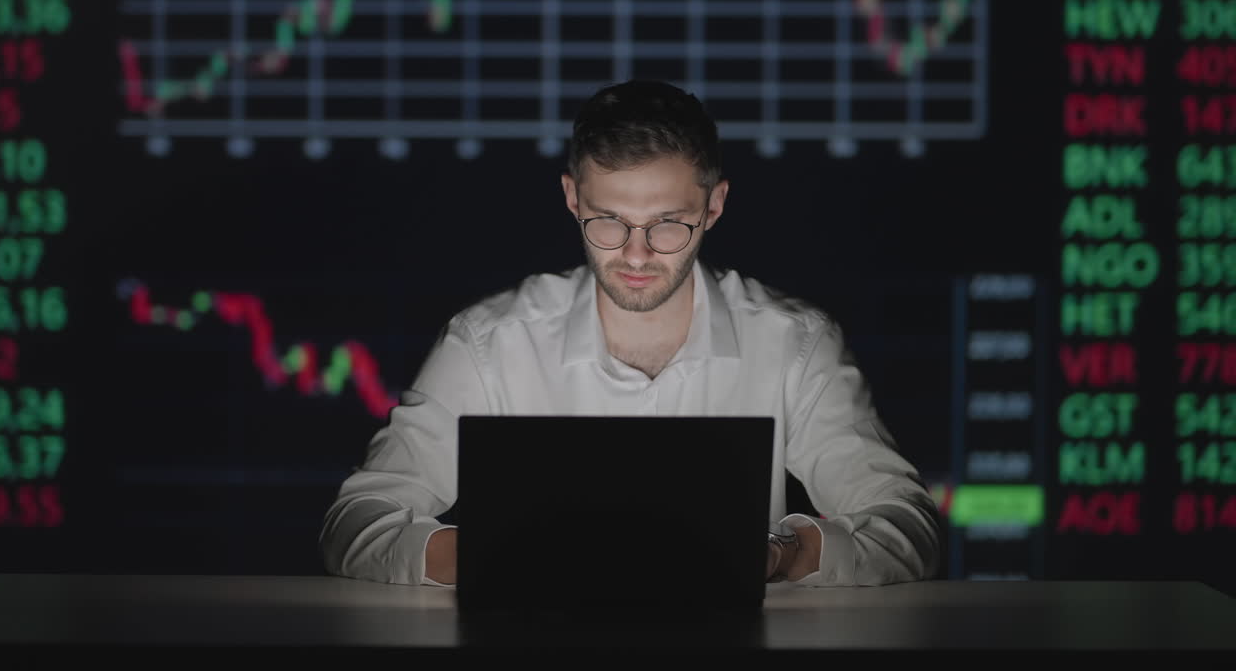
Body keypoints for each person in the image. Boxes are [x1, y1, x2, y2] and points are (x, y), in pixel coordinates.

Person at [319, 79, 941, 587]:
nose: (636, 255)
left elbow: (909, 527)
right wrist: (493, 557)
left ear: (714, 206)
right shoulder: (489, 343)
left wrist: (784, 556)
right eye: (609, 221)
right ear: (572, 198)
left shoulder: (794, 344)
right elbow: (354, 525)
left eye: (668, 224)